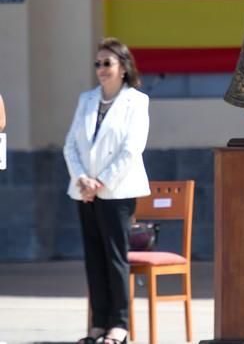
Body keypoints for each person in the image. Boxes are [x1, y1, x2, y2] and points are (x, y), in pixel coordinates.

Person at [64, 38, 150, 344]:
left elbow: (131, 149)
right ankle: (98, 325)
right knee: (94, 258)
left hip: (118, 192)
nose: (101, 69)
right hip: (84, 192)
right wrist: (83, 180)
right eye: (98, 64)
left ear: (124, 68)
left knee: (114, 258)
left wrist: (100, 182)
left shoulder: (136, 102)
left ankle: (119, 326)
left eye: (107, 63)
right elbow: (71, 144)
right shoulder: (86, 99)